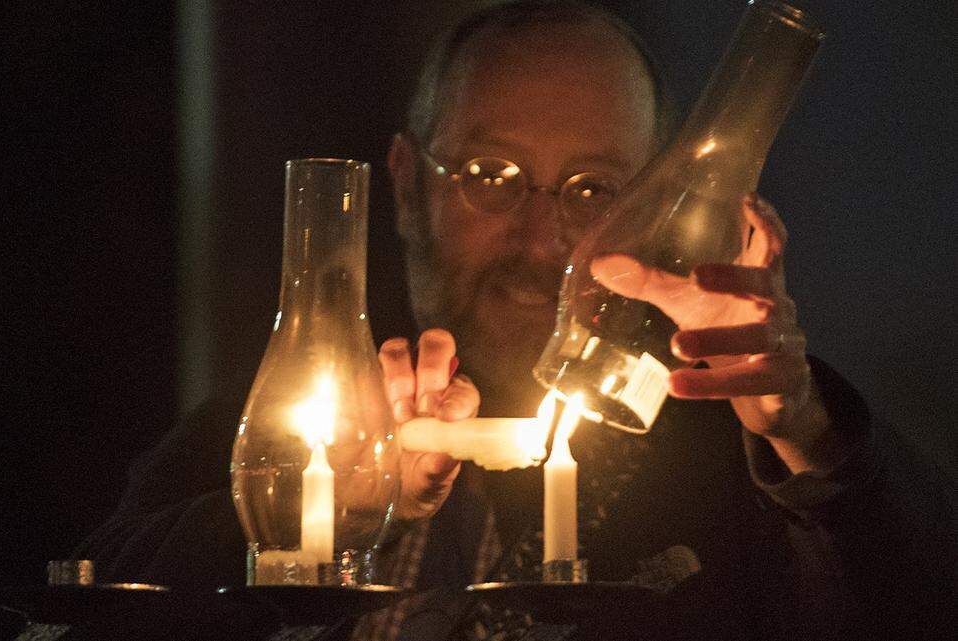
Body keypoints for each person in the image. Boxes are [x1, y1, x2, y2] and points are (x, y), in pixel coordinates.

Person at [75, 2, 956, 640]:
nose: (544, 241)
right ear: (408, 184)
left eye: (594, 190)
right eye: (491, 175)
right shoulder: (291, 422)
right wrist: (285, 519)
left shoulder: (735, 456)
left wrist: (805, 428)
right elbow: (90, 612)